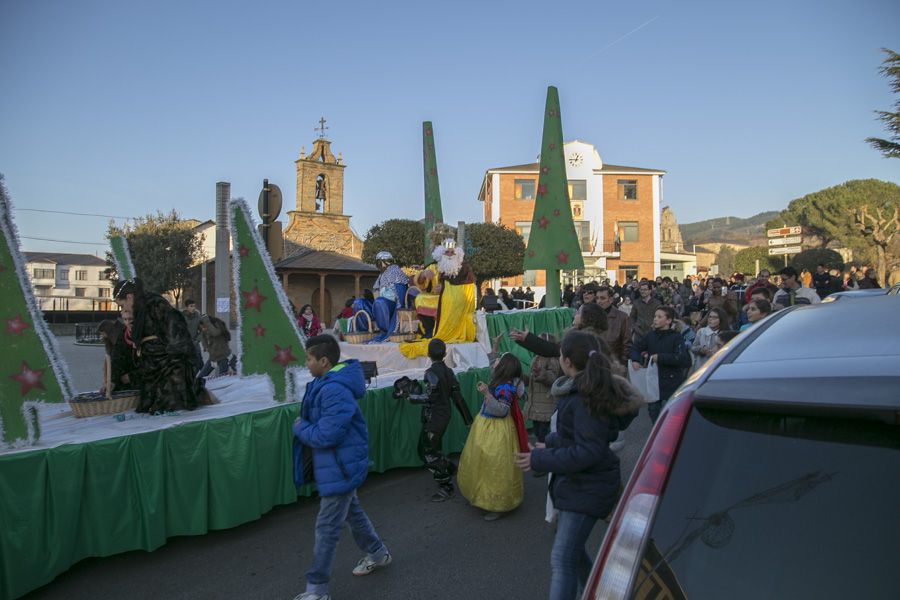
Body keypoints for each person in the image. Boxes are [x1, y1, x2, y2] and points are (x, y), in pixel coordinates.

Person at [514, 331, 642, 600]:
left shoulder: (584, 397)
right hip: (582, 485)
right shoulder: (587, 391)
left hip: (586, 487)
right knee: (572, 552)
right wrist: (549, 443)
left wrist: (540, 459)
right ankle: (599, 591)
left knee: (562, 558)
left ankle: (598, 591)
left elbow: (588, 450)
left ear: (567, 361)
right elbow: (581, 436)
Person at [291, 335, 392, 600]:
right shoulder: (325, 383)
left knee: (326, 528)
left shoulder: (333, 389)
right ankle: (378, 554)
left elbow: (327, 434)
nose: (306, 363)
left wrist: (301, 428)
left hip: (340, 467)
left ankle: (317, 589)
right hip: (338, 465)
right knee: (353, 514)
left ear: (324, 361)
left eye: (309, 359)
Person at [399, 339, 474, 502]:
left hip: (434, 419)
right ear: (445, 353)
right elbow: (458, 398)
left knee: (428, 453)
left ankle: (446, 486)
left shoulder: (431, 373)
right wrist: (468, 420)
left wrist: (409, 397)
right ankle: (450, 468)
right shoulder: (449, 372)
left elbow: (429, 397)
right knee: (428, 449)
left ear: (428, 354)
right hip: (443, 416)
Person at [457, 353, 529, 521]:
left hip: (497, 431)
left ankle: (499, 505)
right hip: (486, 426)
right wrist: (494, 349)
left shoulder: (506, 387)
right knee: (481, 463)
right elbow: (492, 366)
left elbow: (501, 411)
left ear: (504, 367)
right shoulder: (500, 380)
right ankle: (479, 495)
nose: (495, 362)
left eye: (498, 360)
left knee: (495, 467)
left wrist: (486, 394)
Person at [114, 278, 200, 413]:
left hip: (170, 367)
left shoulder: (155, 304)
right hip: (154, 366)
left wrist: (165, 354)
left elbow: (175, 329)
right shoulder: (141, 309)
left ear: (129, 297)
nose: (123, 309)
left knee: (172, 407)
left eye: (122, 305)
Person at [402, 233, 477, 357]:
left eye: (451, 253)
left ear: (456, 254)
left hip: (455, 305)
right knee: (420, 298)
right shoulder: (434, 267)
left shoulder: (463, 268)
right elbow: (418, 282)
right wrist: (423, 274)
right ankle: (429, 331)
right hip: (436, 300)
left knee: (447, 300)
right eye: (446, 253)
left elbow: (467, 290)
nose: (449, 255)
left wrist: (446, 289)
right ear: (441, 254)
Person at [630, 306, 691, 423]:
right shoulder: (650, 336)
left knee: (671, 413)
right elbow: (635, 347)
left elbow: (681, 358)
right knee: (653, 411)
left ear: (668, 321)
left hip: (671, 380)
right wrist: (635, 360)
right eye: (655, 316)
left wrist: (660, 357)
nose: (655, 319)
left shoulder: (676, 337)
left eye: (659, 317)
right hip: (654, 379)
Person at [353, 251, 408, 342]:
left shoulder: (396, 272)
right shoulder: (381, 275)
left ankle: (384, 332)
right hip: (378, 304)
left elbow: (400, 296)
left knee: (380, 302)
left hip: (390, 307)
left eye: (379, 262)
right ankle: (365, 332)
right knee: (358, 302)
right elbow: (376, 293)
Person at [526, 333, 562, 452]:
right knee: (539, 436)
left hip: (546, 407)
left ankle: (545, 464)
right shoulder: (537, 357)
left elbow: (552, 378)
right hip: (537, 406)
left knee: (544, 438)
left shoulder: (551, 358)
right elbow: (533, 380)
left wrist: (541, 372)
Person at [97, 318, 139, 394]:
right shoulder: (121, 337)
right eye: (125, 319)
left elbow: (150, 365)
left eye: (130, 320)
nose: (127, 323)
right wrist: (112, 381)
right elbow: (116, 360)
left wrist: (131, 376)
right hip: (124, 377)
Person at [595, 286, 631, 367]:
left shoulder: (622, 317)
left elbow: (627, 344)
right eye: (597, 298)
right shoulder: (592, 316)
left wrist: (621, 365)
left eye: (602, 298)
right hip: (595, 364)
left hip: (614, 364)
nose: (599, 301)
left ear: (610, 300)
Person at [197, 314, 234, 378]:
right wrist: (206, 347)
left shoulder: (217, 327)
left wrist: (206, 320)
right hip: (213, 358)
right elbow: (202, 340)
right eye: (202, 327)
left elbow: (215, 333)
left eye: (204, 327)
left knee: (222, 379)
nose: (203, 329)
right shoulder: (206, 331)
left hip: (223, 358)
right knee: (200, 377)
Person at [182, 299, 202, 363]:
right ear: (186, 307)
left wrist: (197, 340)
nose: (193, 308)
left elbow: (203, 330)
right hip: (185, 344)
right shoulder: (181, 317)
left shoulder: (198, 316)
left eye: (194, 306)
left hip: (195, 344)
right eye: (191, 306)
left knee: (200, 363)